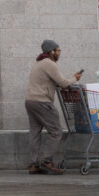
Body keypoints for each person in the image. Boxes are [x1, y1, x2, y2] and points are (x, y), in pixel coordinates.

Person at [24, 39, 81, 176]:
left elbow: (48, 82)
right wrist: (75, 78)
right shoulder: (50, 64)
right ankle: (47, 162)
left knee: (35, 132)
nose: (59, 53)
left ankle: (33, 164)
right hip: (42, 102)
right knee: (56, 131)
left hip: (30, 101)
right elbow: (63, 83)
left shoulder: (39, 63)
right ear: (51, 52)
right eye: (58, 50)